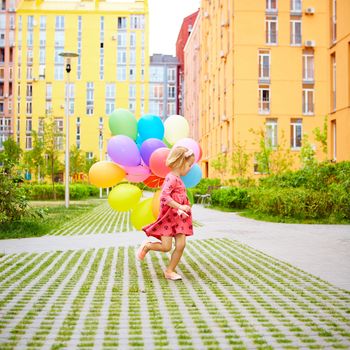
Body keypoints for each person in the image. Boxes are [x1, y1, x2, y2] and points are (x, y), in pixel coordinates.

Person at [137, 146, 195, 281]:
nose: (190, 168)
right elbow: (164, 197)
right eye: (189, 164)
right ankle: (147, 246)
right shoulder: (171, 178)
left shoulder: (179, 179)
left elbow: (179, 196)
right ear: (181, 162)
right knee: (166, 247)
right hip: (169, 219)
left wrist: (185, 206)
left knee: (181, 245)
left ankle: (169, 271)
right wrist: (179, 206)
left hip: (180, 219)